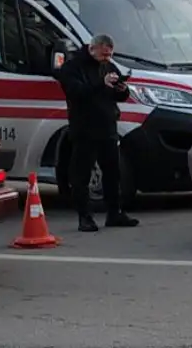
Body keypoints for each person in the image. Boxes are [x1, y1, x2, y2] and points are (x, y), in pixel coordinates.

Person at [55, 33, 138, 231]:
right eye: (103, 55)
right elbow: (77, 93)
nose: (106, 59)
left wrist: (122, 89)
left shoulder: (108, 66)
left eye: (109, 56)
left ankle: (115, 213)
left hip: (108, 126)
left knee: (113, 172)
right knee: (81, 175)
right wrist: (102, 84)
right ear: (92, 49)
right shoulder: (72, 68)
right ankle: (85, 217)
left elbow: (119, 95)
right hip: (84, 128)